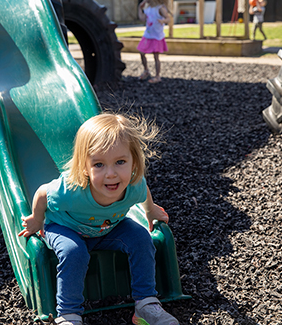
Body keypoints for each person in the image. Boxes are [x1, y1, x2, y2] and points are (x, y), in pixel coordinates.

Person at [18, 113, 179, 325]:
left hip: (108, 228)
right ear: (85, 167)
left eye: (120, 162)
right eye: (99, 165)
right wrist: (37, 220)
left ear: (133, 162)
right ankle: (68, 314)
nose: (111, 174)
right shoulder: (71, 190)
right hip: (64, 226)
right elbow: (42, 193)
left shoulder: (133, 185)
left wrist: (150, 211)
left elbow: (144, 190)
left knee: (141, 237)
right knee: (73, 251)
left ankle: (146, 303)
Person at [137, 0, 171, 84]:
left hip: (157, 37)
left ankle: (157, 76)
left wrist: (163, 21)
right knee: (141, 52)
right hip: (148, 35)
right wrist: (140, 9)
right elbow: (142, 18)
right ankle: (146, 70)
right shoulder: (148, 8)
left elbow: (168, 18)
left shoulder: (160, 8)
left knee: (156, 57)